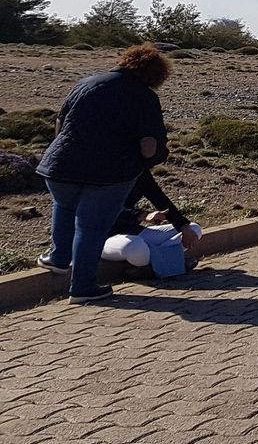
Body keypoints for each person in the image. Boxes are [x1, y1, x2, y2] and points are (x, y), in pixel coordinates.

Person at [35, 43, 170, 303]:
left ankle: (59, 258)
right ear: (155, 75)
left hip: (60, 165)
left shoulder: (87, 84)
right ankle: (83, 287)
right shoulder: (144, 97)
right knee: (92, 226)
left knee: (64, 205)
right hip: (109, 173)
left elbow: (60, 124)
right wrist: (146, 162)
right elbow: (149, 145)